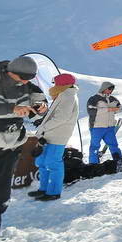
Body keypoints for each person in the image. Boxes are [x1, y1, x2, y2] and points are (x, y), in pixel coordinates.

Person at [0, 56, 47, 242]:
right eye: (23, 77)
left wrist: (41, 107)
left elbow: (39, 104)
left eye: (29, 78)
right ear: (11, 71)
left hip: (10, 148)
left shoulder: (27, 87)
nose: (25, 82)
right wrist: (11, 109)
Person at [29, 73, 79, 201]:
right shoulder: (63, 94)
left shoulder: (68, 96)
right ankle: (43, 189)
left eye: (55, 83)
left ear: (62, 84)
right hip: (50, 134)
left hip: (58, 136)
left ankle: (53, 192)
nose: (53, 85)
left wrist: (44, 128)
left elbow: (61, 118)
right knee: (43, 162)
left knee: (53, 163)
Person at [86, 82, 122, 164]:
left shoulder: (113, 99)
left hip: (110, 127)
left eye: (112, 89)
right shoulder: (94, 98)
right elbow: (91, 111)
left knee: (114, 145)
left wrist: (114, 109)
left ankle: (118, 162)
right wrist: (109, 109)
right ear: (104, 88)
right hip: (97, 127)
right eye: (109, 88)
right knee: (94, 147)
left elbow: (119, 108)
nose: (110, 91)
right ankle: (94, 164)